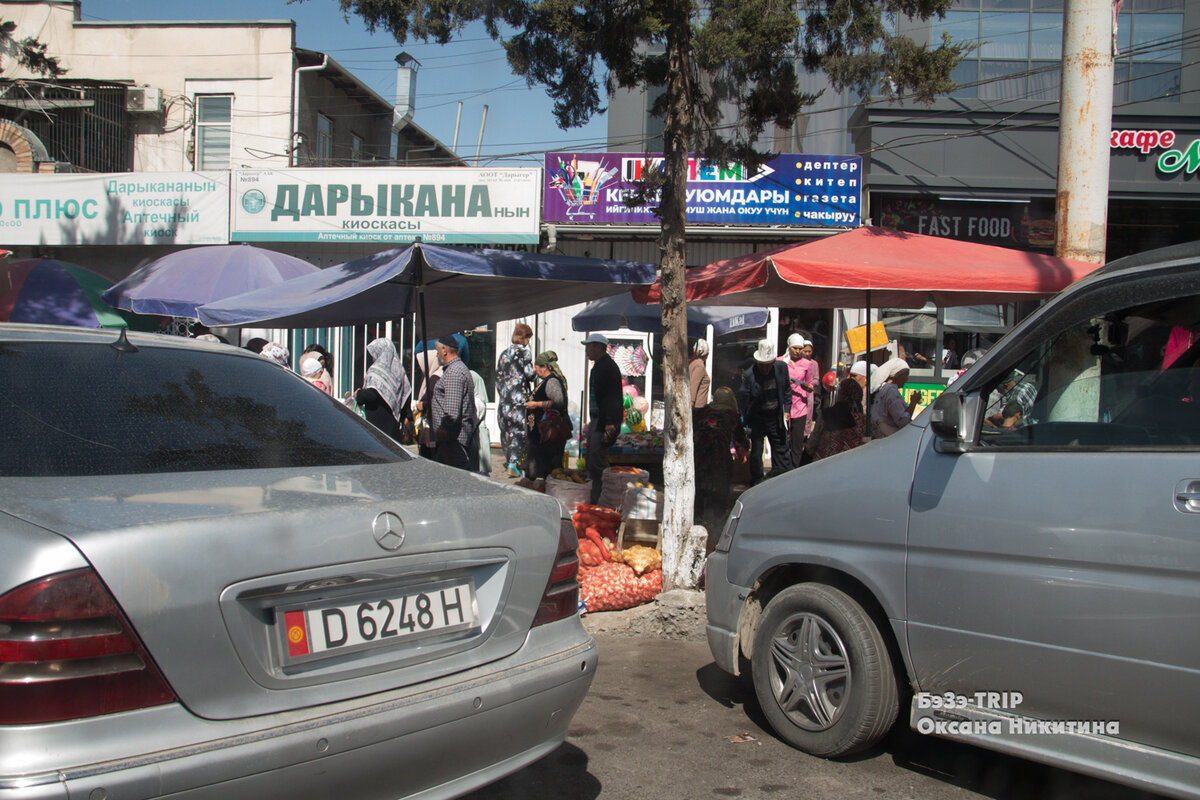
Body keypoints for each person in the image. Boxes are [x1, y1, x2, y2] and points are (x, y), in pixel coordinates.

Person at [737, 338, 792, 483]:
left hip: (776, 418)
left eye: (768, 365)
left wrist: (787, 409)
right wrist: (744, 420)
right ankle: (757, 481)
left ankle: (781, 478)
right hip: (758, 418)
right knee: (756, 452)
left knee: (781, 449)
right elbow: (744, 397)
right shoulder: (750, 375)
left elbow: (787, 390)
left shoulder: (781, 368)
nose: (765, 369)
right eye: (762, 365)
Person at [692, 386, 747, 520]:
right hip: (719, 454)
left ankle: (697, 516)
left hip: (699, 453)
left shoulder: (702, 412)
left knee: (698, 484)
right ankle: (719, 518)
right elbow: (739, 440)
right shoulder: (731, 415)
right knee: (720, 484)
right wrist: (742, 454)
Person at [583, 333, 623, 504]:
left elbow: (612, 398)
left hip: (603, 421)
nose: (587, 350)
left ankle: (602, 500)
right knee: (593, 460)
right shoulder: (601, 366)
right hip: (598, 420)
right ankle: (595, 498)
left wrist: (610, 422)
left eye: (589, 346)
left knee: (597, 461)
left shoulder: (607, 367)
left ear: (598, 347)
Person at [430, 335, 478, 470]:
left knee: (457, 477)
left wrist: (444, 430)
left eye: (437, 351)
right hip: (451, 439)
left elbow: (452, 411)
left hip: (452, 439)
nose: (436, 355)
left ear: (444, 350)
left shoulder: (454, 372)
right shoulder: (456, 369)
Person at [496, 323, 535, 477]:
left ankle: (510, 461)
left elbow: (498, 377)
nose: (528, 341)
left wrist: (505, 392)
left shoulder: (504, 354)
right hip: (519, 399)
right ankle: (515, 463)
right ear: (523, 337)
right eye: (528, 338)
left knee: (507, 431)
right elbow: (530, 374)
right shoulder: (525, 353)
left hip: (505, 400)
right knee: (519, 432)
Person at [524, 350, 571, 480]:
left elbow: (558, 402)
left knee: (546, 470)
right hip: (540, 436)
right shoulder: (545, 381)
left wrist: (536, 404)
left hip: (549, 435)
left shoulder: (552, 382)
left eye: (537, 367)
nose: (536, 371)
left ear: (544, 367)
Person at [354, 338, 411, 442]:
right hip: (394, 424)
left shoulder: (376, 369)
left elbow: (372, 395)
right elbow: (406, 394)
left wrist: (359, 394)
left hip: (376, 423)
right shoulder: (399, 370)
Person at [780, 333, 818, 468]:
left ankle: (795, 468)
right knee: (782, 441)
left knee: (797, 441)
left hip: (800, 406)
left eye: (800, 348)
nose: (797, 351)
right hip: (783, 406)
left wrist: (807, 387)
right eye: (795, 348)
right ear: (789, 347)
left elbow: (810, 384)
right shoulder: (780, 362)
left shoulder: (807, 364)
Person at [807, 377, 868, 461]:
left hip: (826, 461)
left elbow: (814, 440)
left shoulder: (826, 414)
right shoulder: (864, 420)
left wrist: (809, 452)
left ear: (840, 394)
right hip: (855, 461)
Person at [870, 357, 921, 438]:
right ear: (897, 375)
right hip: (889, 439)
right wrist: (913, 402)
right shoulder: (891, 391)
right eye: (905, 375)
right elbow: (903, 421)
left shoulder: (883, 389)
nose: (906, 379)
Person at [689, 339, 711, 408]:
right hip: (698, 407)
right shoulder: (699, 366)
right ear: (706, 353)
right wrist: (691, 403)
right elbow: (694, 385)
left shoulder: (693, 363)